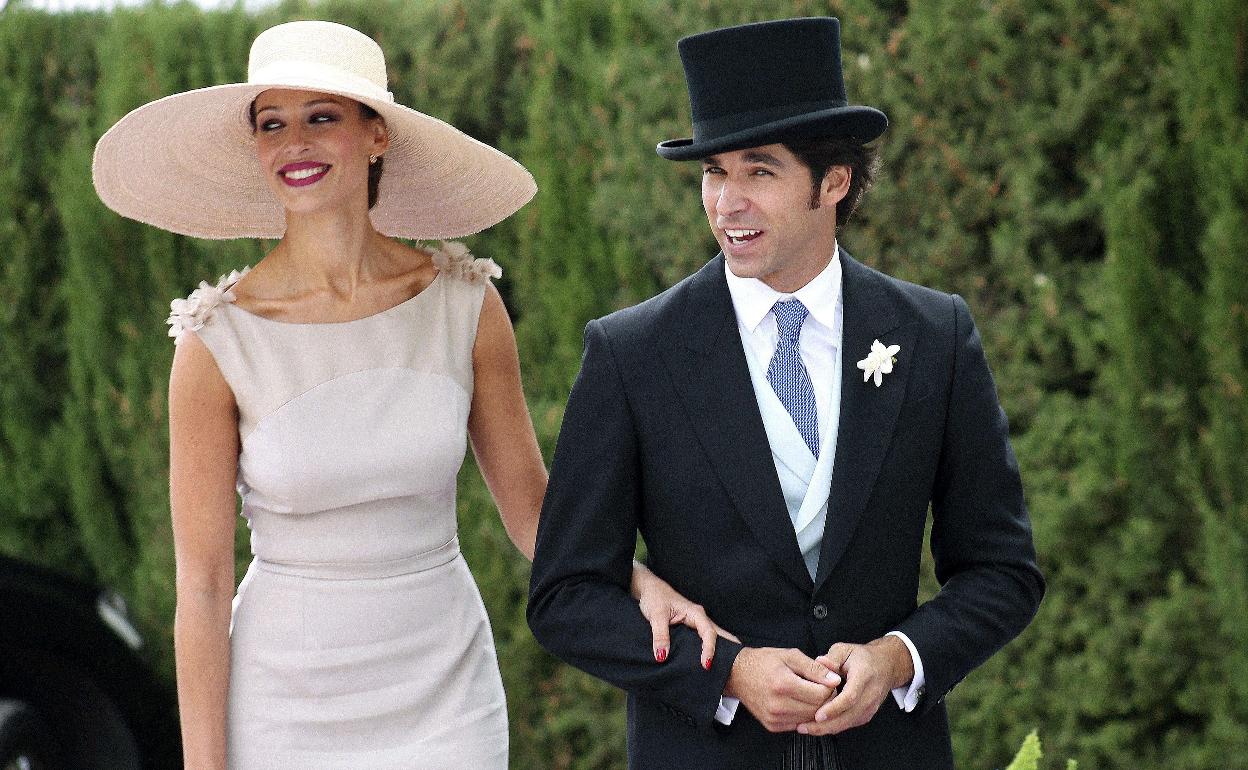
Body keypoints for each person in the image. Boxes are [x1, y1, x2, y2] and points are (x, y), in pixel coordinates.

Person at [92, 20, 721, 770]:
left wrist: (638, 582)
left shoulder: (465, 303)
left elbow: (533, 511)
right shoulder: (215, 342)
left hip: (445, 694)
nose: (295, 143)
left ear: (376, 134)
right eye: (272, 124)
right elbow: (202, 587)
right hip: (283, 706)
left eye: (321, 116)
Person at [528, 16, 1045, 770]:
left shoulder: (934, 335)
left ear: (833, 181)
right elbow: (566, 595)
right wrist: (726, 673)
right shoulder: (632, 354)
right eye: (715, 173)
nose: (726, 202)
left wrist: (897, 658)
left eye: (759, 172)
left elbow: (1004, 570)